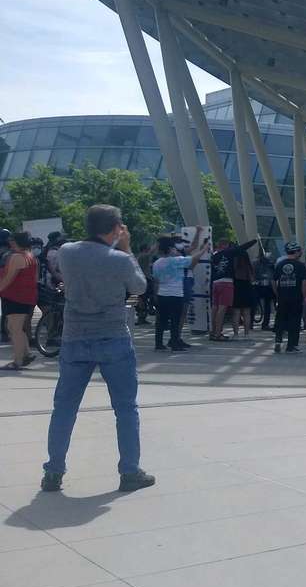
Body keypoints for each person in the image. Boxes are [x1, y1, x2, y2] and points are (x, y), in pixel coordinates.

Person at [42, 205, 153, 492]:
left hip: (75, 337)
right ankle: (130, 472)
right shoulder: (119, 259)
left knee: (64, 408)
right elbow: (139, 287)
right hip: (113, 337)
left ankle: (53, 471)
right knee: (125, 408)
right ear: (116, 229)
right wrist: (126, 248)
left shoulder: (67, 251)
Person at [151, 229, 206, 352]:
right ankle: (175, 343)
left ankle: (158, 343)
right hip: (176, 294)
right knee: (175, 319)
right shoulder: (176, 261)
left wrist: (155, 295)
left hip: (162, 294)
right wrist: (203, 249)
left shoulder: (157, 263)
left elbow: (156, 280)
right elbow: (193, 259)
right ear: (170, 249)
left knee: (161, 320)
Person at [0, 231, 38, 370]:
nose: (10, 242)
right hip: (25, 296)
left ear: (17, 242)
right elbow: (34, 278)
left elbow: (8, 278)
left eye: (12, 240)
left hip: (15, 297)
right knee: (14, 328)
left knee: (14, 329)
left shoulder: (16, 257)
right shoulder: (30, 256)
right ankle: (26, 354)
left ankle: (18, 361)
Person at [209, 235, 257, 342]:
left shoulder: (214, 255)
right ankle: (218, 334)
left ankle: (213, 331)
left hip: (215, 282)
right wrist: (254, 240)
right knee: (222, 308)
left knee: (215, 308)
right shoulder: (228, 252)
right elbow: (243, 247)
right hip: (226, 282)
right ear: (226, 245)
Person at [272, 243, 306, 353]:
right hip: (296, 297)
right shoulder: (300, 266)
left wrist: (277, 293)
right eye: (299, 251)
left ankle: (278, 340)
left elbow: (273, 280)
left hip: (282, 296)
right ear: (296, 251)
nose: (301, 253)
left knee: (280, 319)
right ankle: (291, 345)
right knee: (295, 320)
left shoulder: (280, 264)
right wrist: (305, 296)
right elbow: (304, 283)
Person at [254, 250, 275, 331]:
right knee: (267, 306)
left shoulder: (255, 263)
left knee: (255, 304)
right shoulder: (270, 263)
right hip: (267, 287)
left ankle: (252, 323)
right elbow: (273, 276)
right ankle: (265, 324)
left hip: (258, 285)